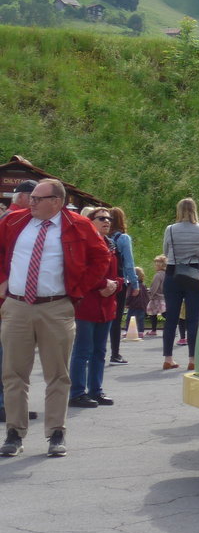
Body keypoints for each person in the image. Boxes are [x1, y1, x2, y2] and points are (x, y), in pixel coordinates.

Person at [0, 178, 111, 457]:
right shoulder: (14, 222)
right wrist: (2, 280)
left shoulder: (79, 225)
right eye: (31, 198)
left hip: (56, 307)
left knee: (57, 375)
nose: (30, 202)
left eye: (37, 198)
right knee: (13, 374)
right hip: (16, 306)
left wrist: (77, 290)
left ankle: (56, 434)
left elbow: (101, 259)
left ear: (56, 202)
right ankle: (14, 433)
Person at [68, 209, 121, 408]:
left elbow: (120, 273)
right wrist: (103, 285)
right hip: (87, 305)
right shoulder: (84, 245)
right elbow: (80, 273)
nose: (106, 221)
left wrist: (116, 284)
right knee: (83, 351)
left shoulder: (112, 245)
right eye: (101, 218)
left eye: (109, 218)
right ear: (90, 222)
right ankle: (77, 392)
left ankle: (96, 390)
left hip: (107, 305)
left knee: (100, 351)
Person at [0, 181, 38, 425]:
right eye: (33, 197)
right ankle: (6, 405)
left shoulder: (15, 220)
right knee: (9, 357)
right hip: (10, 300)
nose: (35, 202)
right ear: (23, 197)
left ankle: (9, 405)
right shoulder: (14, 221)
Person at [161, 198, 199, 372]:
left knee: (171, 318)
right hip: (194, 274)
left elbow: (166, 251)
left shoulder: (171, 229)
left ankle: (168, 358)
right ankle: (193, 359)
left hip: (173, 273)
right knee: (193, 319)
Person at [107, 207, 138, 365]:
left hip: (103, 280)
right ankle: (115, 354)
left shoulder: (103, 236)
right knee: (116, 318)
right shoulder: (123, 238)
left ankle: (96, 351)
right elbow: (129, 263)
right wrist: (135, 283)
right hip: (119, 281)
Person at [144, 255, 167, 337]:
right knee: (154, 313)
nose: (154, 266)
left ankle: (154, 329)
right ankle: (154, 330)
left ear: (159, 265)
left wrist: (149, 294)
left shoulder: (158, 275)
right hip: (164, 296)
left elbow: (154, 287)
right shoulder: (166, 274)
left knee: (158, 313)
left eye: (155, 264)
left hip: (157, 298)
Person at [127, 267, 149, 338]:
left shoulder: (132, 286)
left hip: (133, 305)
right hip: (142, 305)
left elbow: (130, 295)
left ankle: (128, 331)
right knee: (140, 319)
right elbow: (146, 296)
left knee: (130, 318)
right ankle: (140, 331)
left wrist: (127, 303)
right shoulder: (143, 285)